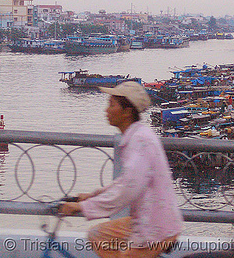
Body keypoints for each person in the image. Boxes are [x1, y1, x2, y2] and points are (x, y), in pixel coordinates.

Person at [60, 81, 183, 258]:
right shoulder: (136, 136)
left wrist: (83, 206)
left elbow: (127, 189)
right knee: (97, 236)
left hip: (156, 226)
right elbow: (126, 181)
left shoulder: (140, 140)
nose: (106, 110)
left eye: (111, 105)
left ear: (127, 112)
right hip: (147, 219)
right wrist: (93, 195)